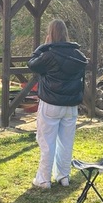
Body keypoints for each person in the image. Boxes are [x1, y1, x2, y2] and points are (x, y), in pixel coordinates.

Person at [27, 19, 88, 189]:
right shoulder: (78, 56)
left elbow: (32, 64)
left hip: (51, 103)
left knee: (47, 142)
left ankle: (44, 179)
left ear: (51, 34)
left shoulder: (49, 54)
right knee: (66, 142)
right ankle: (64, 176)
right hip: (71, 106)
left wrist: (43, 46)